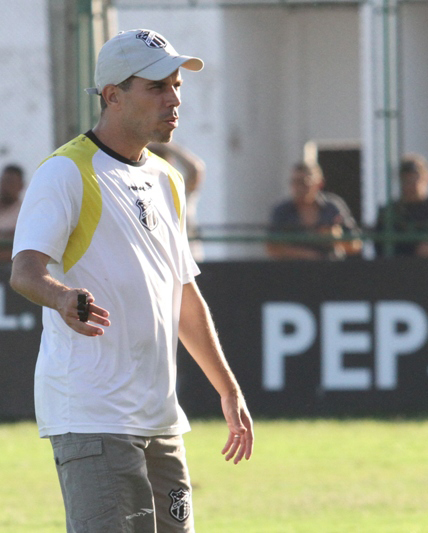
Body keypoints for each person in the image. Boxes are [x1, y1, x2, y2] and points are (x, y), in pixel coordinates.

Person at [9, 29, 254, 533]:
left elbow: (183, 295)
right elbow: (26, 272)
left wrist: (227, 389)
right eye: (157, 87)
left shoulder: (167, 178)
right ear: (113, 95)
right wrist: (62, 297)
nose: (173, 99)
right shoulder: (65, 172)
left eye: (177, 86)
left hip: (161, 419)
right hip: (94, 416)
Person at [267, 161, 362, 260]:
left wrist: (336, 239)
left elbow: (356, 245)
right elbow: (272, 248)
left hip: (330, 270)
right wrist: (308, 255)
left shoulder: (332, 208)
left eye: (304, 182)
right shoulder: (282, 211)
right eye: (294, 182)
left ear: (319, 184)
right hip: (291, 271)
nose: (298, 188)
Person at [148, 141, 205, 261]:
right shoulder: (135, 190)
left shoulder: (178, 188)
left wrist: (162, 143)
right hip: (158, 263)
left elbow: (195, 170)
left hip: (188, 262)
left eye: (162, 159)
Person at [0, 164, 24, 262]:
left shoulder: (24, 212)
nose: (6, 187)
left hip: (9, 265)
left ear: (21, 185)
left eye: (11, 183)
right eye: (4, 181)